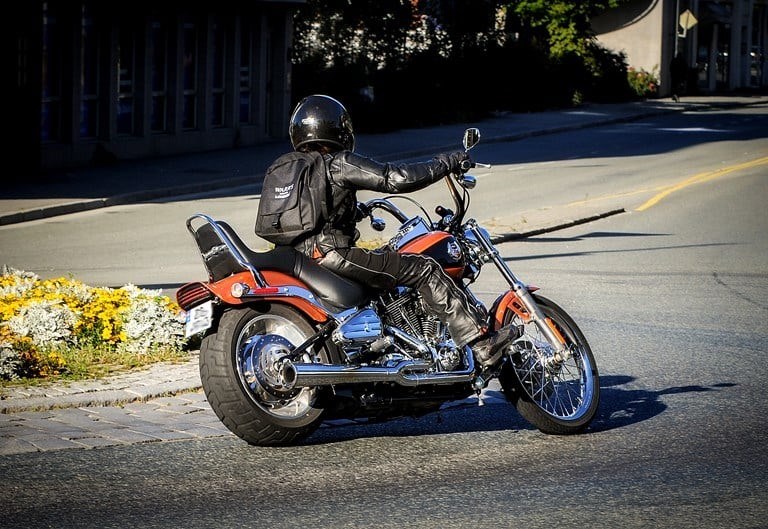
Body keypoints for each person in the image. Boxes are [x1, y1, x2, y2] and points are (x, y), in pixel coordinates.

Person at [283, 94, 517, 368]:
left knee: (386, 268)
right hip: (333, 255)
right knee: (424, 268)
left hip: (300, 259)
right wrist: (446, 162)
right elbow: (395, 178)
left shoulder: (289, 170)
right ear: (339, 129)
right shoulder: (337, 163)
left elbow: (310, 214)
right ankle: (480, 343)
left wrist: (352, 212)